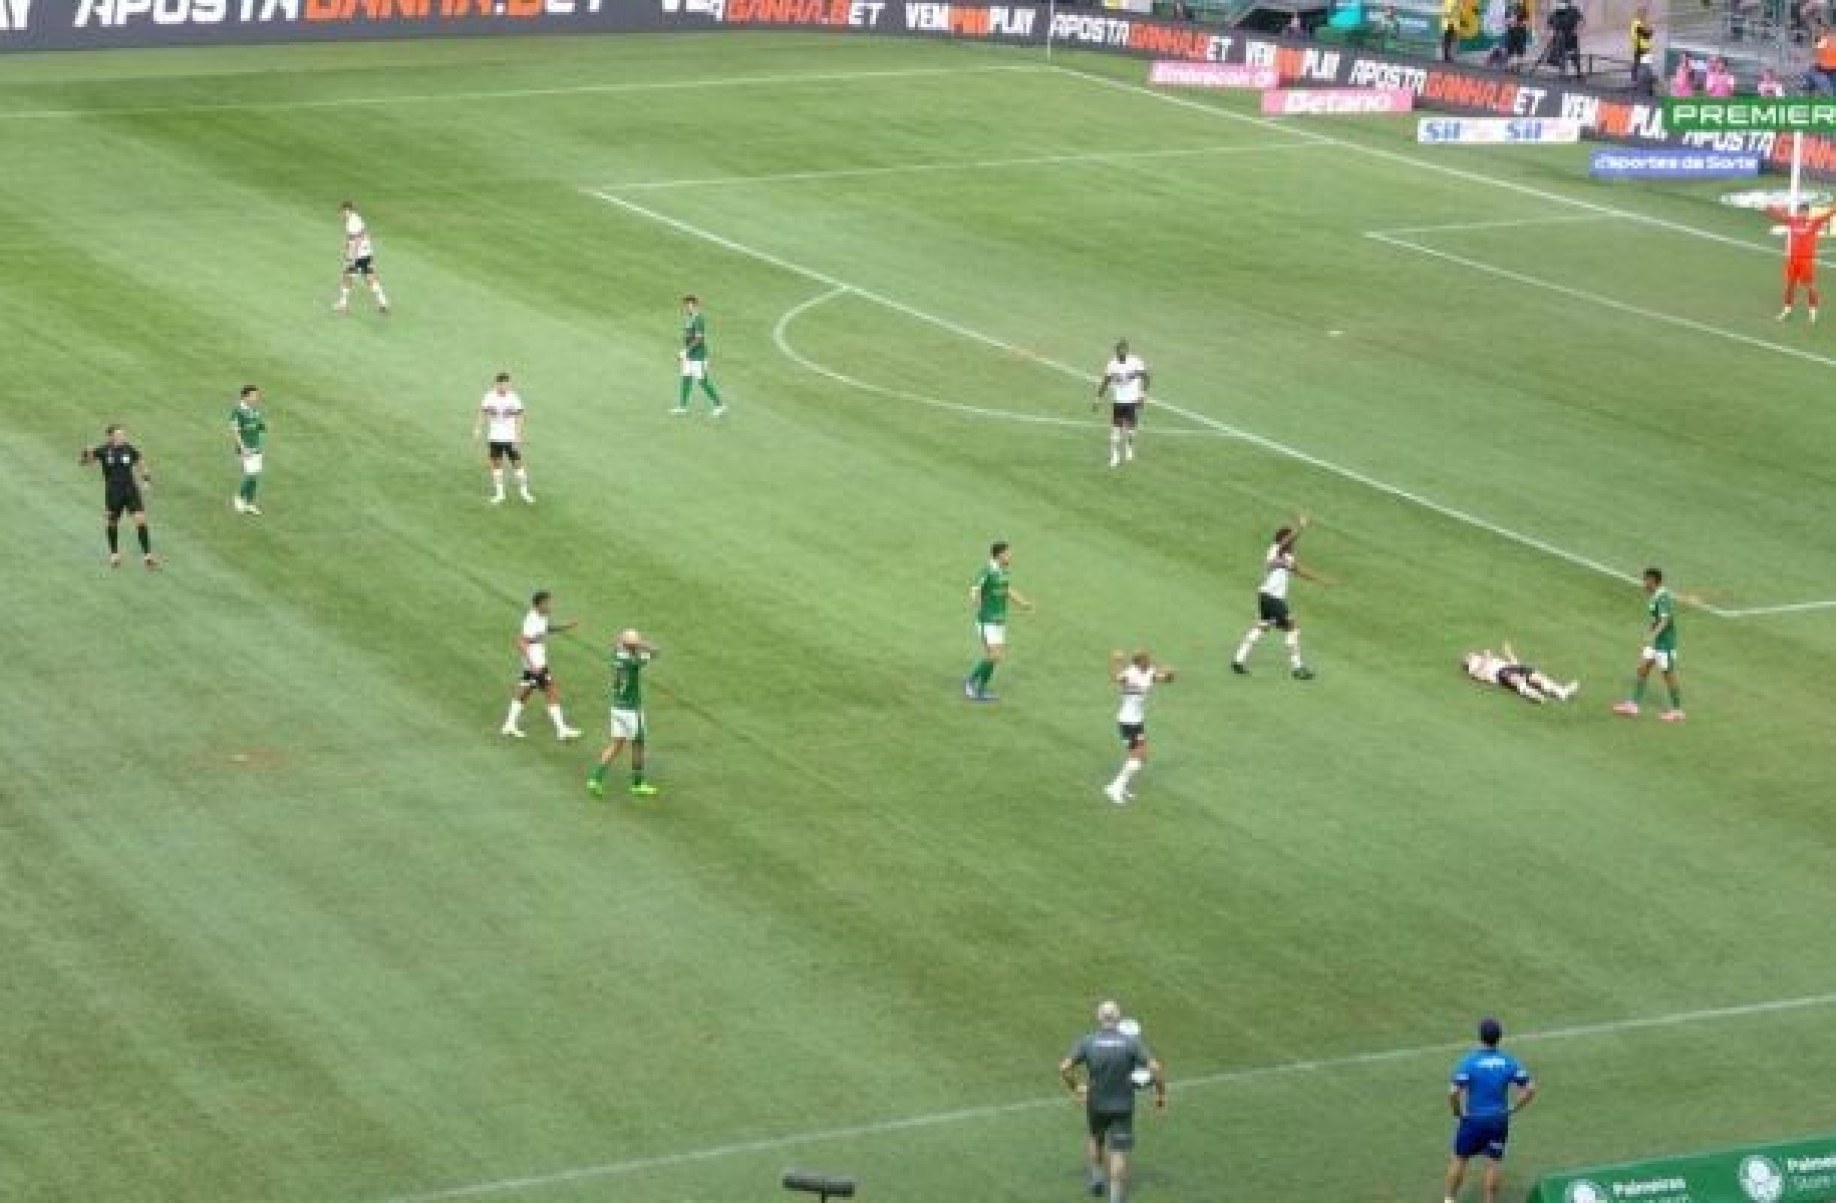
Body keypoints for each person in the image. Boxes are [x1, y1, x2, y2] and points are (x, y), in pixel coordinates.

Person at [1059, 1000, 1166, 1203]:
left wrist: (1076, 1087)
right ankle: (1115, 1199)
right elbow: (1156, 1068)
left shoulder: (1087, 1041)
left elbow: (1064, 1067)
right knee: (1118, 1152)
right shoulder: (1131, 1043)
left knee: (1096, 1138)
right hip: (1122, 1106)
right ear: (1119, 1018)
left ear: (1099, 1018)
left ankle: (1097, 1177)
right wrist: (1160, 1095)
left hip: (1096, 1103)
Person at [1443, 1017, 1536, 1203]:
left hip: (1474, 1120)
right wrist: (1513, 1108)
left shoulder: (1470, 1062)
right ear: (1499, 1038)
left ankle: (1449, 1199)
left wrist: (1457, 1111)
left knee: (1460, 1158)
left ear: (1480, 1037)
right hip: (1498, 1120)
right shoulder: (1508, 1062)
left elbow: (1453, 1092)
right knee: (1493, 1162)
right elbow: (1530, 1088)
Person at [1230, 516, 1325, 679]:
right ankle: (1297, 668)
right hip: (1273, 597)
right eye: (1291, 541)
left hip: (1267, 596)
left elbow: (1299, 571)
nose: (1293, 544)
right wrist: (1300, 527)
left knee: (1262, 626)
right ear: (1284, 539)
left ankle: (1238, 660)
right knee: (1293, 627)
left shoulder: (1288, 557)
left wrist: (1321, 580)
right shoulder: (1275, 549)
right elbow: (1284, 543)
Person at [500, 590, 583, 741]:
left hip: (535, 660)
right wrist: (533, 665)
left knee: (525, 691)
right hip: (535, 661)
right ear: (539, 604)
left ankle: (509, 725)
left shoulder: (541, 616)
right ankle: (561, 729)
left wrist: (566, 626)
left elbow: (546, 628)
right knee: (551, 690)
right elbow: (521, 642)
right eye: (548, 602)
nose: (551, 605)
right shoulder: (531, 620)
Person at [587, 628, 659, 798]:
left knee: (616, 745)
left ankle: (595, 779)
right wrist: (641, 644)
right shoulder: (634, 661)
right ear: (632, 645)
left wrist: (629, 642)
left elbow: (619, 643)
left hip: (616, 708)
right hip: (632, 710)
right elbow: (656, 652)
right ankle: (638, 784)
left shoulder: (616, 656)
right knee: (638, 744)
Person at [78, 424, 159, 569]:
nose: (122, 437)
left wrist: (146, 478)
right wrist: (88, 452)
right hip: (113, 492)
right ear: (110, 436)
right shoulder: (103, 450)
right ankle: (114, 555)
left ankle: (148, 556)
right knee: (112, 522)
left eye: (123, 435)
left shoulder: (128, 448)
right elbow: (84, 463)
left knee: (140, 520)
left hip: (130, 490)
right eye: (119, 435)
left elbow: (140, 461)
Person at [1613, 568, 1684, 721]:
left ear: (1653, 581)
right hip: (1655, 643)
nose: (1643, 583)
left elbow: (1665, 620)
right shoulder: (1655, 596)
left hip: (1665, 644)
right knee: (1642, 668)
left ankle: (1677, 711)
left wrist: (1652, 634)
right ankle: (1633, 705)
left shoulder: (1662, 598)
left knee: (1668, 676)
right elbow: (1658, 619)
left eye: (1646, 580)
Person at [965, 540, 1033, 702]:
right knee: (995, 655)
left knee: (996, 656)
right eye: (1008, 553)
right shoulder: (987, 570)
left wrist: (1022, 603)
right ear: (1000, 554)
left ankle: (979, 687)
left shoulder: (1003, 572)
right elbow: (975, 588)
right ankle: (970, 683)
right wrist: (975, 599)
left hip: (999, 621)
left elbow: (1006, 590)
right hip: (986, 621)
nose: (1011, 556)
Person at [1105, 650, 1175, 805]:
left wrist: (1170, 673)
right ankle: (1115, 788)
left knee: (1141, 757)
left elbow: (1167, 679)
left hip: (1137, 721)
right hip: (1127, 722)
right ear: (1138, 663)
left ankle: (1119, 786)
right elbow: (1116, 678)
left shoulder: (1149, 672)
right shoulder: (1130, 674)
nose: (1149, 662)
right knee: (1137, 758)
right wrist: (1116, 662)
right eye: (1146, 660)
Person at [472, 371, 535, 505]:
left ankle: (524, 492)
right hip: (494, 436)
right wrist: (477, 428)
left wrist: (518, 434)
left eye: (508, 384)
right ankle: (500, 494)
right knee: (496, 464)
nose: (507, 387)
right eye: (504, 385)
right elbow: (482, 412)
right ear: (497, 384)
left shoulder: (514, 397)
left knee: (517, 463)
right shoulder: (489, 396)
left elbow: (521, 416)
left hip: (510, 436)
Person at [1766, 199, 1831, 322]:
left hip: (1806, 261)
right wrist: (1770, 208)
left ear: (1808, 213)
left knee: (1810, 287)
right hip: (1793, 259)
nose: (1802, 214)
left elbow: (1829, 214)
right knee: (1790, 285)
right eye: (1800, 212)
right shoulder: (1793, 221)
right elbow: (1779, 217)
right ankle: (1786, 310)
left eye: (1804, 212)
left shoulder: (1814, 222)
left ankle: (1813, 313)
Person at [1093, 339, 1150, 469]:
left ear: (1127, 350)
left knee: (1131, 430)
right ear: (1116, 351)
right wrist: (1098, 398)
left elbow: (1146, 377)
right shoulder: (1112, 364)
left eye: (1123, 350)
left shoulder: (1135, 362)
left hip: (1132, 400)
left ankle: (1129, 447)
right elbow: (1106, 382)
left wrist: (1143, 394)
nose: (1121, 352)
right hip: (1118, 401)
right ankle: (1115, 456)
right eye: (1119, 350)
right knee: (1116, 430)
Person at [1462, 643, 1578, 703]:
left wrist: (1509, 652)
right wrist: (1487, 658)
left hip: (1510, 667)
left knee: (1536, 676)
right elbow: (1481, 676)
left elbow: (1514, 663)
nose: (1471, 654)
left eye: (1471, 654)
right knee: (1513, 678)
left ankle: (1562, 692)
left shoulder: (1489, 658)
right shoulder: (1473, 668)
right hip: (1500, 673)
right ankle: (1533, 694)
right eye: (1469, 656)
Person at [672, 294, 726, 416]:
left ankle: (720, 405)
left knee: (703, 381)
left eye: (689, 304)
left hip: (698, 357)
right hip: (690, 356)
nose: (686, 307)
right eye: (685, 304)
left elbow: (699, 339)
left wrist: (686, 351)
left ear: (695, 305)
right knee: (686, 378)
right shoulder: (689, 318)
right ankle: (682, 407)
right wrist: (685, 351)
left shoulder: (698, 319)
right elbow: (688, 336)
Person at [334, 201, 390, 315]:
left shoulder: (352, 222)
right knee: (369, 277)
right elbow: (362, 236)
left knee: (347, 277)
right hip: (366, 253)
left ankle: (343, 304)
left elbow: (357, 240)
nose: (341, 214)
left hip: (358, 255)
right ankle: (383, 302)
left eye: (342, 212)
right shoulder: (357, 219)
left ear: (347, 210)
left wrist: (352, 256)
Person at [230, 384, 268, 516]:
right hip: (245, 448)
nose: (256, 397)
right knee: (250, 474)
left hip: (256, 448)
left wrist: (261, 440)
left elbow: (262, 428)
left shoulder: (255, 411)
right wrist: (242, 448)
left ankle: (250, 504)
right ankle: (239, 497)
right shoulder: (238, 411)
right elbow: (235, 431)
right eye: (254, 395)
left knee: (255, 476)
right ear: (245, 396)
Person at [1544, 0, 1583, 77]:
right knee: (1560, 54)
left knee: (1574, 55)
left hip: (1571, 36)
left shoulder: (1574, 10)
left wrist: (1577, 29)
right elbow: (1549, 23)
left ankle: (1578, 72)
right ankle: (1562, 72)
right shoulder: (1556, 12)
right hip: (1559, 36)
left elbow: (1581, 21)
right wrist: (1548, 32)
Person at [1629, 6, 1655, 82]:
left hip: (1643, 46)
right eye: (1644, 13)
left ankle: (1639, 78)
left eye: (1645, 13)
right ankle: (1636, 78)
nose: (1645, 15)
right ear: (1639, 14)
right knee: (1641, 63)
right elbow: (1646, 35)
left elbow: (1647, 34)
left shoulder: (1640, 23)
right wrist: (1651, 30)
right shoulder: (1637, 23)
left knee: (1643, 63)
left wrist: (1649, 30)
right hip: (1640, 47)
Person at [1504, 0, 1530, 68]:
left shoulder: (1523, 9)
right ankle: (1509, 63)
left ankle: (1519, 64)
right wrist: (1509, 23)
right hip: (1511, 31)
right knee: (1510, 48)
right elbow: (1506, 20)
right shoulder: (1508, 9)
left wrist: (1518, 23)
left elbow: (1526, 22)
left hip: (1520, 32)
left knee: (1520, 48)